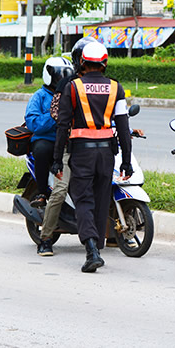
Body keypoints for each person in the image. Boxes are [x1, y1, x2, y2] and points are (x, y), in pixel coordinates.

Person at [51, 41, 133, 273]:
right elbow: (124, 128)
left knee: (84, 199)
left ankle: (91, 250)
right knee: (101, 197)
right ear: (104, 63)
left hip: (81, 152)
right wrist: (126, 161)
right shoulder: (116, 88)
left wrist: (57, 159)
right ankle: (98, 245)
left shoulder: (73, 87)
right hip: (107, 153)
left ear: (83, 62)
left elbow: (62, 125)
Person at [37, 38, 96, 257]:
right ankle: (45, 238)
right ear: (80, 61)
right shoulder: (66, 85)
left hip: (94, 148)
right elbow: (57, 116)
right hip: (70, 148)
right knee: (60, 191)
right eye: (88, 60)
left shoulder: (104, 84)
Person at [24, 57, 74, 209]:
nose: (62, 80)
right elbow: (33, 123)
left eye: (66, 75)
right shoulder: (39, 96)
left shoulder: (74, 94)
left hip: (70, 140)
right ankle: (42, 193)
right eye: (59, 76)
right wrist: (54, 116)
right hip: (48, 139)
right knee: (41, 150)